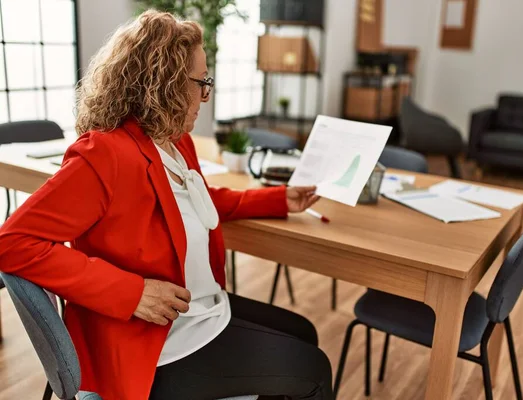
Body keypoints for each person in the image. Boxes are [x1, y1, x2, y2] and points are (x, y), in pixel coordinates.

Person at [0, 10, 333, 400]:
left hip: (198, 311)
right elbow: (12, 242)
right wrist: (132, 293)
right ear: (166, 84)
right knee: (313, 369)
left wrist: (279, 198)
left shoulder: (173, 140)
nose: (205, 95)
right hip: (154, 343)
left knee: (304, 334)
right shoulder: (103, 154)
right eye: (201, 83)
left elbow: (199, 201)